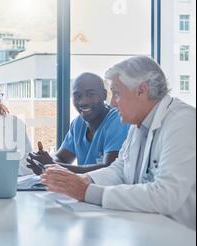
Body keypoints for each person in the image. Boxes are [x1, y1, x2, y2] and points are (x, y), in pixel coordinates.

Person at [41, 56, 196, 230]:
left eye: (116, 93)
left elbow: (166, 195)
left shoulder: (182, 121)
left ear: (141, 90)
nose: (113, 103)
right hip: (149, 230)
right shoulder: (138, 124)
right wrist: (83, 180)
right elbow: (120, 169)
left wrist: (88, 192)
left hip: (182, 239)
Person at [27, 73, 130, 175]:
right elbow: (61, 158)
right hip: (83, 189)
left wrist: (53, 166)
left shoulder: (117, 120)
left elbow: (109, 170)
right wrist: (44, 164)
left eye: (90, 94)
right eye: (77, 96)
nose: (83, 102)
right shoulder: (78, 123)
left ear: (104, 95)